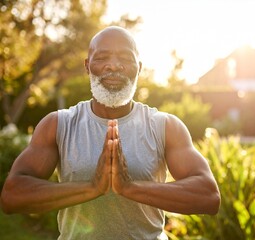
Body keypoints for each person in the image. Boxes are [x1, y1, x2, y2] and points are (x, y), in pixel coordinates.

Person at [0, 26, 220, 239]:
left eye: (125, 58)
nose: (113, 66)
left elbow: (208, 195)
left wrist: (130, 188)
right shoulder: (58, 124)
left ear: (139, 67)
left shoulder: (165, 126)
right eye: (102, 57)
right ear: (87, 66)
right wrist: (92, 187)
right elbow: (13, 196)